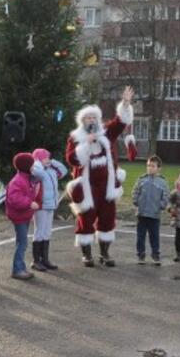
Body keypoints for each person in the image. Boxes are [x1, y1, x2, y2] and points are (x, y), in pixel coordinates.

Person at [66, 86, 134, 267]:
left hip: (106, 186)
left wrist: (126, 103)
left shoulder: (106, 133)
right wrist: (84, 145)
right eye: (88, 118)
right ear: (83, 121)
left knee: (107, 218)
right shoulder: (75, 138)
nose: (91, 120)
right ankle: (87, 255)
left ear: (98, 119)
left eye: (94, 117)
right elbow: (71, 159)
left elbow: (120, 123)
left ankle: (105, 253)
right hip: (87, 187)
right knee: (86, 219)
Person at [30, 148, 67, 272]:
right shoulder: (37, 170)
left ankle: (45, 259)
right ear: (39, 159)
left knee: (47, 232)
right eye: (45, 157)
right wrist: (38, 162)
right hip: (40, 205)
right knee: (39, 231)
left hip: (51, 205)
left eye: (49, 157)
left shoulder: (51, 171)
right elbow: (38, 172)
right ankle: (36, 261)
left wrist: (52, 162)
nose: (48, 160)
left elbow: (63, 170)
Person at [6, 152, 41, 280]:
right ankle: (17, 269)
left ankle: (20, 267)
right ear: (27, 166)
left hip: (24, 215)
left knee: (21, 242)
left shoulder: (27, 178)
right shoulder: (18, 181)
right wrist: (30, 203)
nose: (34, 167)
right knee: (22, 243)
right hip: (19, 216)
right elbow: (14, 199)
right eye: (32, 165)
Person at [132, 155, 169, 265]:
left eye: (153, 166)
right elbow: (135, 191)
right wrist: (136, 201)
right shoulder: (141, 179)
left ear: (159, 168)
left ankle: (155, 255)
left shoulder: (162, 182)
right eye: (148, 166)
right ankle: (141, 255)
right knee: (140, 236)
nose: (150, 168)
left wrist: (161, 205)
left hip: (154, 215)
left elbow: (166, 196)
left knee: (154, 236)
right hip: (142, 214)